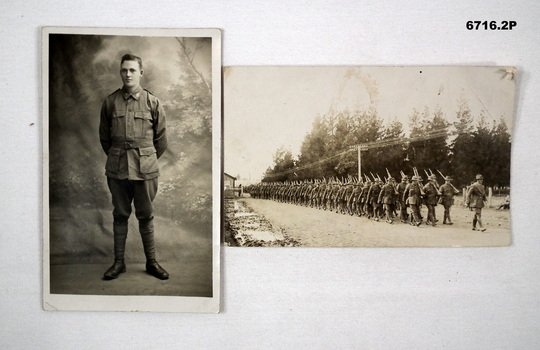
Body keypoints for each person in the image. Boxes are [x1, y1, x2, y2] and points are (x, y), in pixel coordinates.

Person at [99, 54, 169, 280]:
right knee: (120, 214)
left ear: (141, 72)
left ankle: (151, 262)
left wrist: (145, 157)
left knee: (146, 215)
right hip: (117, 168)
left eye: (132, 70)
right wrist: (119, 156)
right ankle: (118, 263)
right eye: (124, 70)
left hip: (145, 169)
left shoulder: (153, 102)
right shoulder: (110, 102)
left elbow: (161, 140)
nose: (128, 74)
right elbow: (104, 139)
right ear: (120, 73)